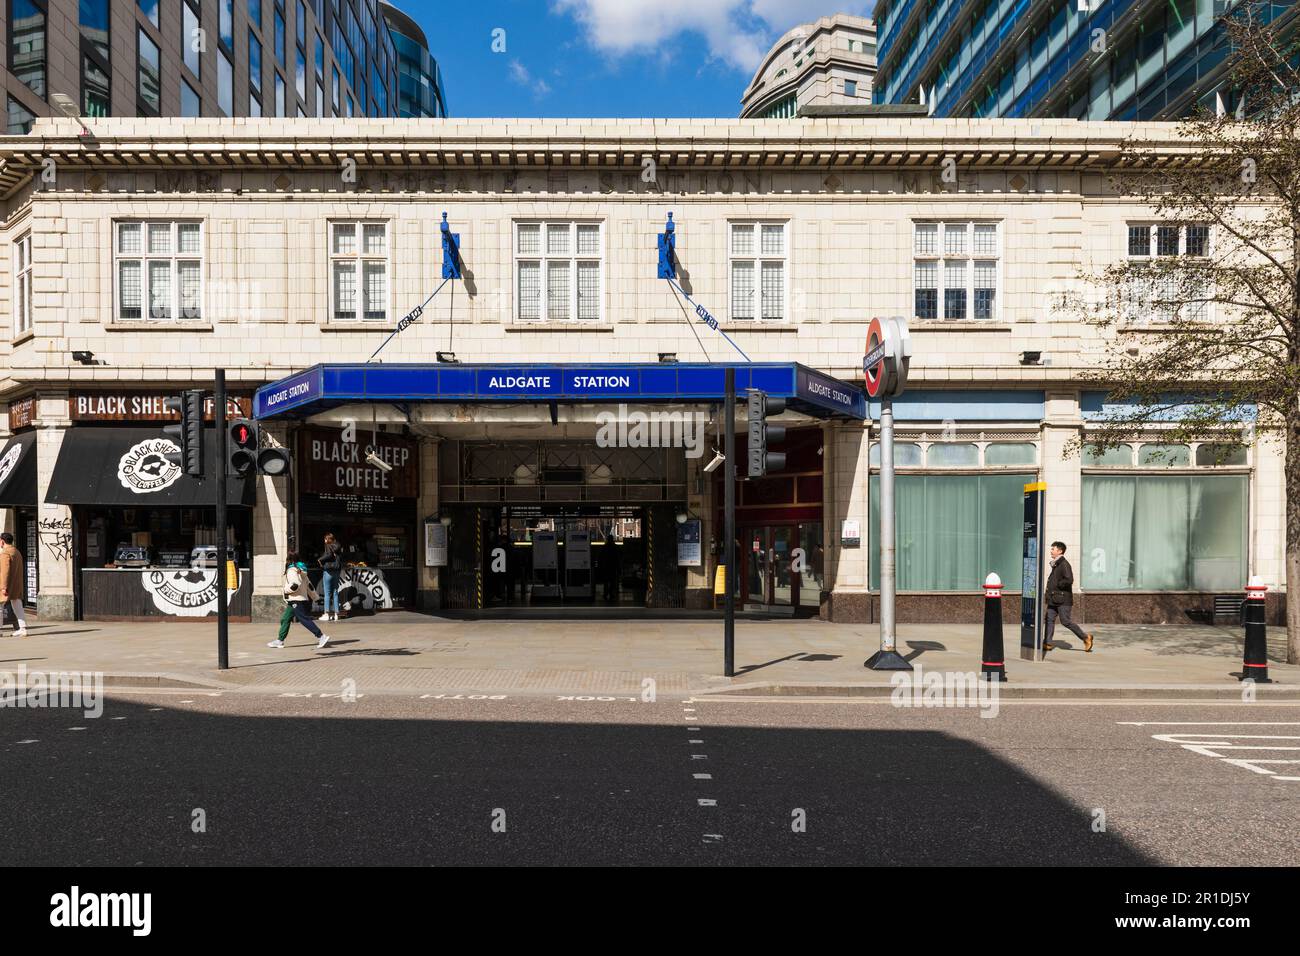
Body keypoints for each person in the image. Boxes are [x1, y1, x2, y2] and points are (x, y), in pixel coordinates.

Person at [268, 552, 330, 650]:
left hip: (296, 600)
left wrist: (285, 590)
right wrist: (315, 597)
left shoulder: (292, 570)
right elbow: (309, 585)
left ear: (289, 560)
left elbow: (295, 585)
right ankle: (280, 640)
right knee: (285, 619)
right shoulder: (301, 570)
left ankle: (321, 636)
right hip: (296, 600)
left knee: (304, 619)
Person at [1044, 541, 1094, 653]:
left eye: (1053, 549)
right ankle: (1047, 642)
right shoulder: (1056, 563)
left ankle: (1086, 637)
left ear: (1060, 551)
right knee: (1049, 619)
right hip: (1054, 599)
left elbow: (1069, 580)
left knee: (1065, 621)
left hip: (1063, 600)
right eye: (1051, 549)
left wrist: (1057, 585)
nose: (1051, 551)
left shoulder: (1064, 564)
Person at [0, 531, 28, 638]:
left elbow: (4, 571)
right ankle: (23, 628)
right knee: (17, 605)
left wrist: (3, 587)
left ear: (2, 541)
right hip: (16, 584)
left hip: (6, 584)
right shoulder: (16, 552)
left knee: (0, 606)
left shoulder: (5, 554)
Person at [317, 532, 343, 622]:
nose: (324, 540)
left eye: (325, 539)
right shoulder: (338, 546)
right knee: (335, 591)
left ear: (328, 539)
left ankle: (326, 614)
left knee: (327, 593)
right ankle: (336, 614)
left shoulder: (328, 545)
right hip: (337, 571)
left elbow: (328, 555)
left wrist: (320, 559)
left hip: (328, 571)